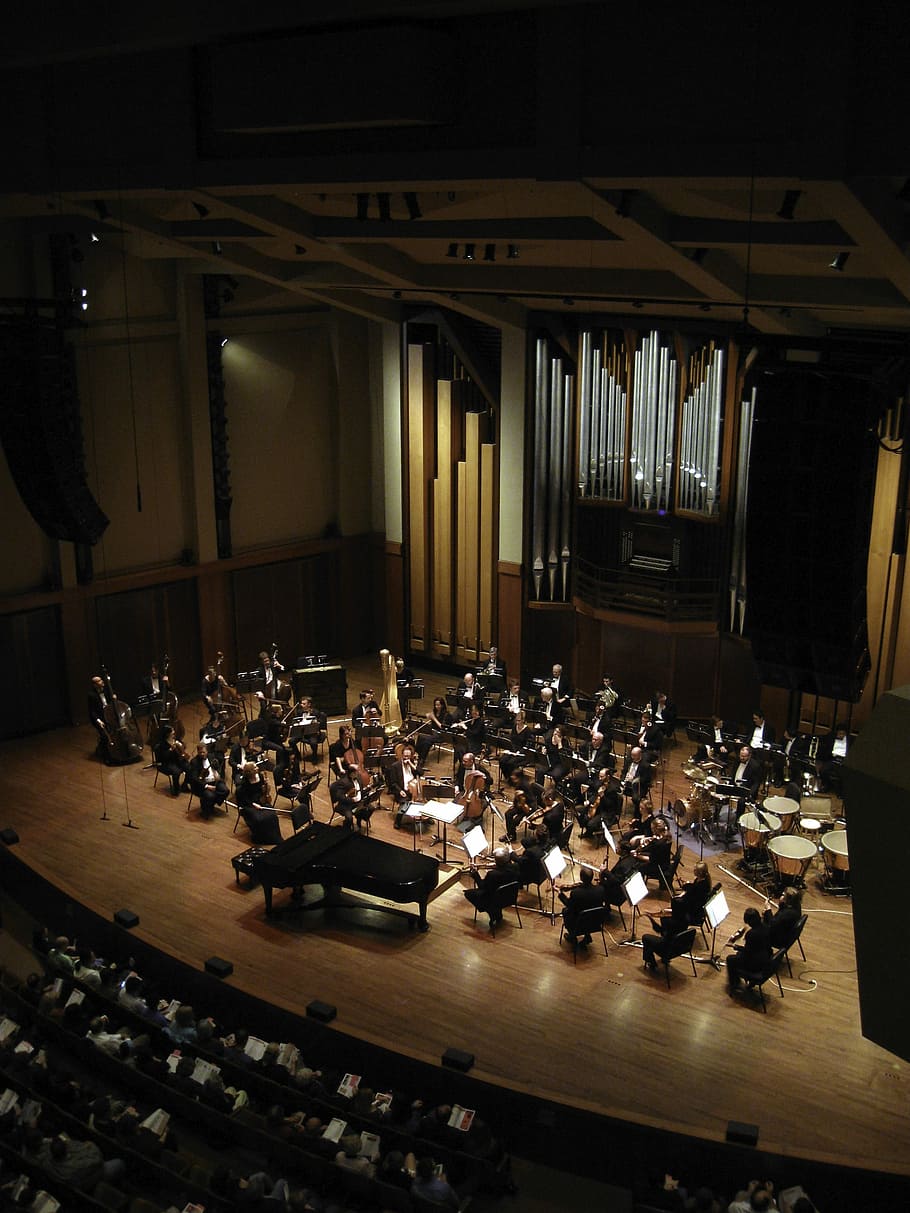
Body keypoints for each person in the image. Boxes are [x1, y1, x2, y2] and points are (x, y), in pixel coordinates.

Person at [463, 848, 519, 928]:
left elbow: (483, 887)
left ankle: (492, 913)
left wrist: (476, 875)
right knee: (495, 891)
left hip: (495, 900)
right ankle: (497, 913)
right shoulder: (515, 867)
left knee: (468, 893)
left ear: (496, 861)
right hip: (511, 897)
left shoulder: (493, 875)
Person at [726, 906, 773, 993]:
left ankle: (735, 984)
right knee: (737, 956)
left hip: (755, 965)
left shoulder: (751, 934)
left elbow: (747, 953)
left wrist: (735, 947)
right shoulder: (766, 926)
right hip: (765, 958)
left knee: (730, 959)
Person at [558, 866, 605, 944]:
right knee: (588, 912)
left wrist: (560, 894)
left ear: (581, 877)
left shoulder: (576, 893)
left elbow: (569, 905)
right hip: (595, 923)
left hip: (579, 925)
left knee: (565, 911)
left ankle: (572, 936)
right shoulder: (600, 890)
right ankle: (587, 936)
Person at [187, 742, 229, 817]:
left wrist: (217, 773)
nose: (202, 754)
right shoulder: (194, 762)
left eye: (204, 752)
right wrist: (206, 786)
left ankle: (211, 804)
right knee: (210, 795)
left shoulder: (211, 756)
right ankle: (206, 809)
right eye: (200, 752)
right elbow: (194, 778)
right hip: (202, 785)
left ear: (207, 751)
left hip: (214, 781)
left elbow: (217, 768)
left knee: (225, 791)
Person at [416, 695, 456, 767]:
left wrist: (434, 718)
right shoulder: (434, 712)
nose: (436, 706)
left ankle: (422, 759)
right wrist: (428, 715)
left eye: (438, 705)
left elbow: (442, 727)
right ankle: (418, 755)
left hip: (442, 735)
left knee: (427, 740)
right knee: (421, 736)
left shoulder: (447, 715)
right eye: (435, 705)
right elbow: (428, 716)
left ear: (442, 705)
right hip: (433, 732)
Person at [388, 742, 421, 827]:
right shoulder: (395, 766)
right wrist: (400, 791)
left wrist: (411, 764)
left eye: (408, 756)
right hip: (402, 790)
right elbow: (393, 783)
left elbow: (421, 772)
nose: (406, 758)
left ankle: (426, 817)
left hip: (414, 790)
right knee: (404, 802)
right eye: (405, 756)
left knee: (426, 797)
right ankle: (398, 821)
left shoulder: (413, 763)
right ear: (402, 755)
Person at [154, 723, 188, 795]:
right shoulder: (162, 744)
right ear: (167, 734)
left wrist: (181, 745)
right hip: (166, 763)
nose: (174, 732)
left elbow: (183, 746)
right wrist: (170, 750)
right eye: (172, 731)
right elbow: (163, 757)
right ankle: (176, 789)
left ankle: (184, 785)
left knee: (189, 768)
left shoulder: (175, 739)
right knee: (176, 771)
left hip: (177, 760)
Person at [620, 745, 653, 810]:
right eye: (632, 755)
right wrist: (622, 780)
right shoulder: (629, 760)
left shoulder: (646, 765)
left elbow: (646, 780)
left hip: (639, 787)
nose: (632, 757)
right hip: (626, 784)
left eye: (634, 755)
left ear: (640, 755)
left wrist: (634, 779)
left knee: (636, 798)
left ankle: (638, 813)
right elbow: (624, 771)